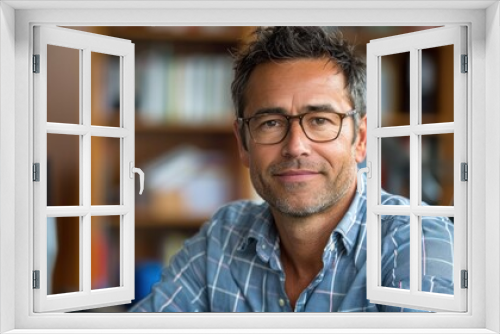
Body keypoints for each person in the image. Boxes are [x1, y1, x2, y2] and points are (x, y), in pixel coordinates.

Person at [130, 26, 454, 312]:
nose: (296, 145)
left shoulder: (415, 241)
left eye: (320, 120)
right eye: (271, 123)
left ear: (361, 139)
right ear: (243, 144)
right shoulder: (222, 238)